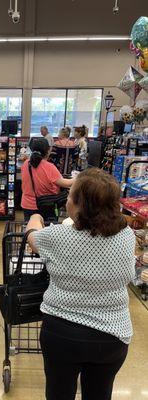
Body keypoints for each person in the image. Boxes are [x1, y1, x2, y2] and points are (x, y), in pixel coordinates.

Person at [26, 168, 136, 400]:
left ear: (79, 205)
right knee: (99, 393)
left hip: (62, 334)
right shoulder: (127, 235)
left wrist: (35, 217)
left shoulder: (58, 237)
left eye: (69, 196)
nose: (66, 200)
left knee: (58, 393)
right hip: (112, 336)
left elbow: (32, 236)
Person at [21, 137, 73, 221]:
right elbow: (66, 183)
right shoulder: (49, 167)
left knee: (31, 230)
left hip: (27, 204)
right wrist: (79, 177)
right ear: (48, 151)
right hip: (46, 205)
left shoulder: (26, 163)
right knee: (47, 232)